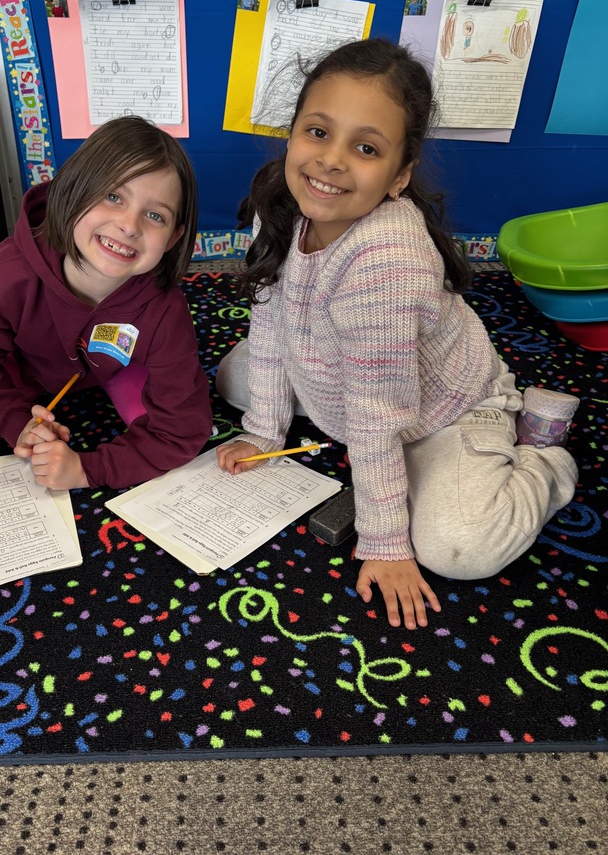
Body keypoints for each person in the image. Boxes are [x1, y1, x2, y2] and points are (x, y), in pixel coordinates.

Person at [215, 38, 578, 631]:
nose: (330, 162)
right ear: (293, 134)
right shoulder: (282, 202)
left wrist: (386, 542)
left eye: (365, 148)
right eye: (317, 132)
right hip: (338, 364)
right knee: (235, 379)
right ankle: (354, 448)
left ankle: (543, 455)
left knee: (460, 549)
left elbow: (379, 411)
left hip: (440, 408)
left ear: (398, 177)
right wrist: (261, 432)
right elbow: (271, 315)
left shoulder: (389, 260)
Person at [0, 115, 212, 492]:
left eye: (155, 215)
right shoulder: (6, 276)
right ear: (73, 191)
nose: (129, 225)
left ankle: (118, 378)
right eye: (113, 196)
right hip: (17, 368)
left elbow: (182, 430)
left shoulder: (164, 310)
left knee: (154, 419)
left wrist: (88, 469)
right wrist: (16, 424)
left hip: (110, 368)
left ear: (173, 238)